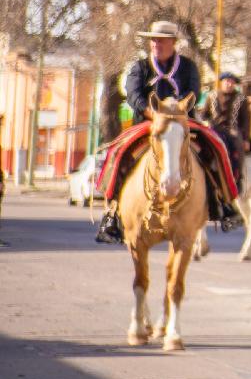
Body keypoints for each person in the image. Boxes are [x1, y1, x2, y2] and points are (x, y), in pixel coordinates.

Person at [96, 20, 238, 243]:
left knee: (216, 145)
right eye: (153, 40)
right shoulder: (140, 68)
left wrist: (177, 111)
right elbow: (133, 95)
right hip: (148, 123)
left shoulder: (188, 67)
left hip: (182, 122)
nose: (155, 44)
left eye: (160, 40)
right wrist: (152, 112)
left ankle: (224, 202)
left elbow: (193, 91)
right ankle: (112, 212)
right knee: (118, 151)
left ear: (173, 43)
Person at [201, 70, 251, 181]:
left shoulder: (241, 98)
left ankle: (238, 175)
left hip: (232, 130)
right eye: (227, 81)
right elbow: (204, 115)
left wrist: (246, 139)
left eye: (232, 82)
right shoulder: (211, 96)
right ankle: (203, 171)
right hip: (214, 129)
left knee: (238, 145)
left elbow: (246, 120)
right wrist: (206, 122)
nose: (229, 84)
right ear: (221, 82)